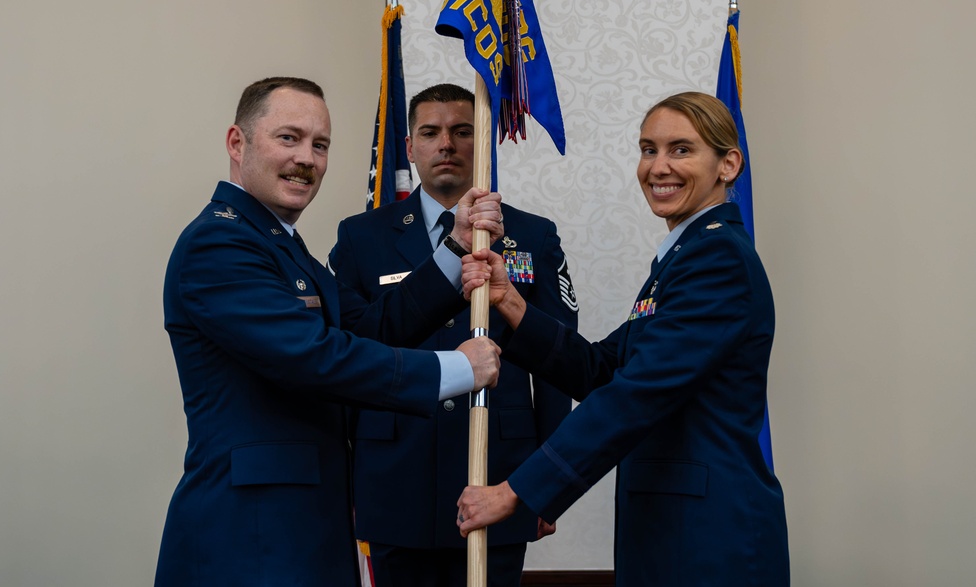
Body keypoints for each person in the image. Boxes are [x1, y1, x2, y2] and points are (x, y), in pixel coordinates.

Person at [155, 77, 506, 587]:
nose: (307, 159)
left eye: (320, 145)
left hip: (306, 524)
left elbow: (367, 331)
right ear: (238, 143)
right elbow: (314, 356)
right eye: (288, 138)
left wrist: (452, 252)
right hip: (250, 532)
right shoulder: (220, 243)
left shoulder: (282, 245)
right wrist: (458, 368)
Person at [456, 92, 789, 586]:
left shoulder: (717, 260)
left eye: (681, 149)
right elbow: (603, 369)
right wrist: (511, 303)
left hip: (709, 537)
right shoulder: (685, 256)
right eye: (648, 149)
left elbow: (637, 393)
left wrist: (517, 491)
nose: (658, 167)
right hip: (669, 529)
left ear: (728, 164)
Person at [327, 83, 578, 587]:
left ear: (481, 141)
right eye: (431, 132)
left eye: (462, 131)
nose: (447, 144)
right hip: (395, 474)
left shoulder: (531, 236)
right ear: (410, 145)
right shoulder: (361, 236)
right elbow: (345, 360)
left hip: (498, 473)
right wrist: (348, 481)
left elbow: (557, 366)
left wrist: (548, 483)